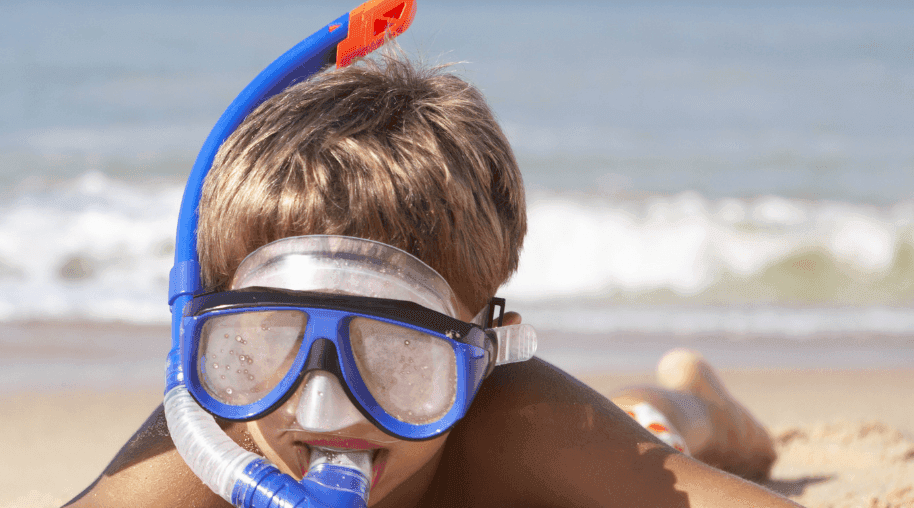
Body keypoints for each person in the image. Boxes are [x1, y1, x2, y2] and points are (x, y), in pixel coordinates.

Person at [64, 51, 792, 507]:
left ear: (486, 357)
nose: (323, 412)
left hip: (606, 454)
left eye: (394, 353)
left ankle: (701, 402)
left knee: (646, 429)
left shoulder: (514, 427)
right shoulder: (201, 458)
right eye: (266, 342)